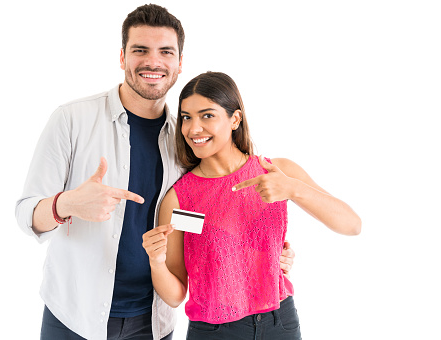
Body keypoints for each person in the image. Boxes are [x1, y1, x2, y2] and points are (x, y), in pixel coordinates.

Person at [15, 4, 295, 340]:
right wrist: (66, 204)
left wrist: (261, 249)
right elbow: (25, 214)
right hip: (74, 317)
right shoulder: (72, 119)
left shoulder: (190, 143)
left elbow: (194, 220)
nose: (153, 62)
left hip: (153, 322)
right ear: (122, 58)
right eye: (140, 50)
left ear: (179, 64)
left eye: (165, 51)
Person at [142, 72, 362, 339]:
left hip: (280, 322)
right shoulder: (180, 199)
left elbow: (352, 225)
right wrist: (156, 262)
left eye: (207, 115)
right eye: (187, 117)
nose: (193, 128)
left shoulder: (276, 171)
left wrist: (294, 188)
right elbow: (176, 296)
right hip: (215, 332)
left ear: (235, 119)